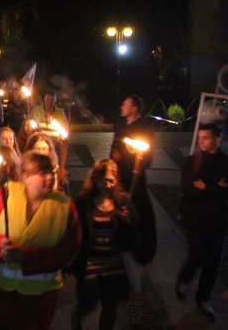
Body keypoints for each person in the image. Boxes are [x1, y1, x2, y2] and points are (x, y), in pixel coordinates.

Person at [0, 152, 82, 330]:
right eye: (42, 173)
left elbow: (69, 251)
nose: (49, 177)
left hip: (39, 300)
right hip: (2, 295)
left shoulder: (65, 206)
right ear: (26, 177)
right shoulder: (4, 194)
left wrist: (26, 257)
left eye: (51, 172)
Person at [69, 159, 139, 330]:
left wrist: (126, 222)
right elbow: (73, 230)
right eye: (104, 180)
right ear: (96, 179)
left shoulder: (123, 201)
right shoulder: (84, 201)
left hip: (114, 266)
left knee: (110, 309)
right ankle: (76, 319)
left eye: (112, 181)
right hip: (91, 264)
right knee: (86, 303)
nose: (108, 184)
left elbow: (135, 235)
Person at [175, 123, 228, 322]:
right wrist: (216, 188)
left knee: (213, 262)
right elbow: (187, 189)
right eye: (200, 137)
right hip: (196, 219)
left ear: (217, 139)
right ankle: (184, 279)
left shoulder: (225, 162)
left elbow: (226, 192)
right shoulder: (192, 162)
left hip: (218, 221)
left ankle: (203, 298)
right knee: (197, 255)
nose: (201, 141)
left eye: (206, 137)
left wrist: (205, 188)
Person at [110, 94, 157, 264]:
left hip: (134, 183)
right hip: (118, 179)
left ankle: (141, 250)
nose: (122, 106)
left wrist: (131, 158)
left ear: (134, 108)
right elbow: (114, 151)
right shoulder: (121, 127)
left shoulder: (144, 130)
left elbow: (147, 158)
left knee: (138, 214)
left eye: (125, 104)